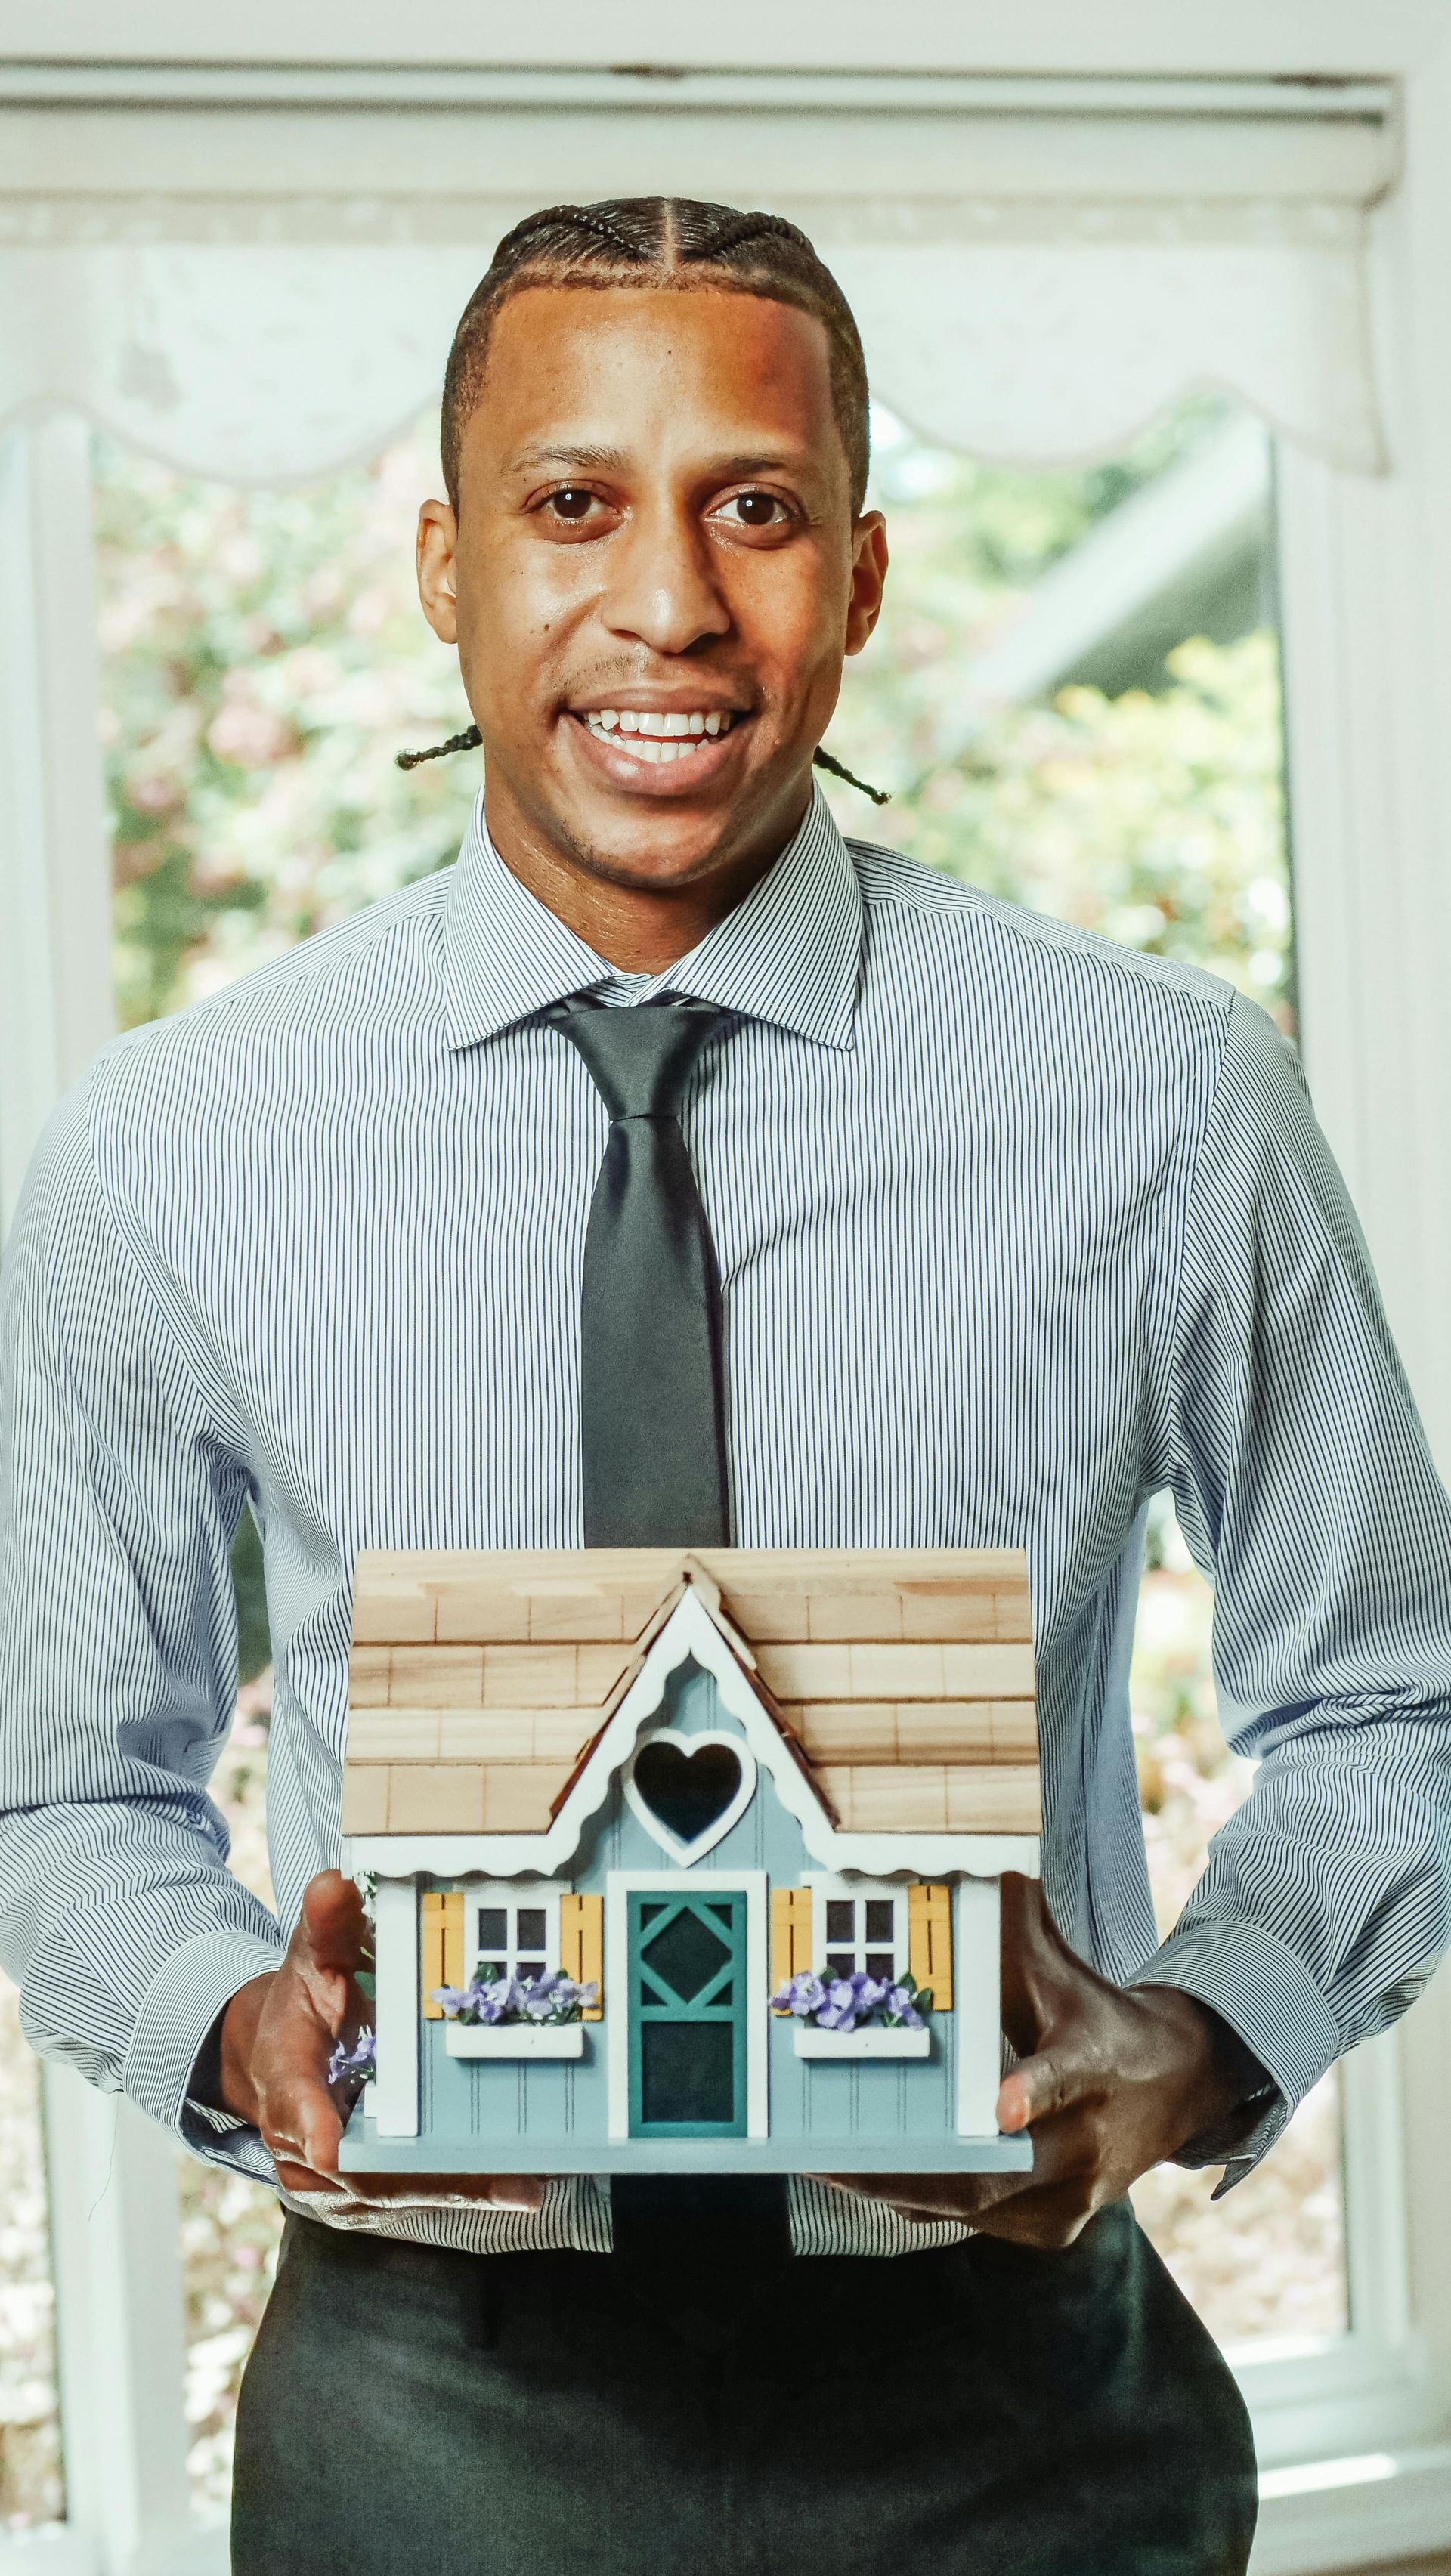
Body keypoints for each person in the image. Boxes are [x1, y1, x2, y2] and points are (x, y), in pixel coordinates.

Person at [2, 195, 1449, 2576]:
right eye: (572, 505)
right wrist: (234, 2024)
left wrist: (1192, 2037)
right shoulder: (171, 1151)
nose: (668, 604)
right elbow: (62, 1788)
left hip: (1021, 2417)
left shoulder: (1167, 1099)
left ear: (858, 580)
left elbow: (1397, 1696)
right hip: (422, 2424)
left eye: (752, 511)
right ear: (442, 561)